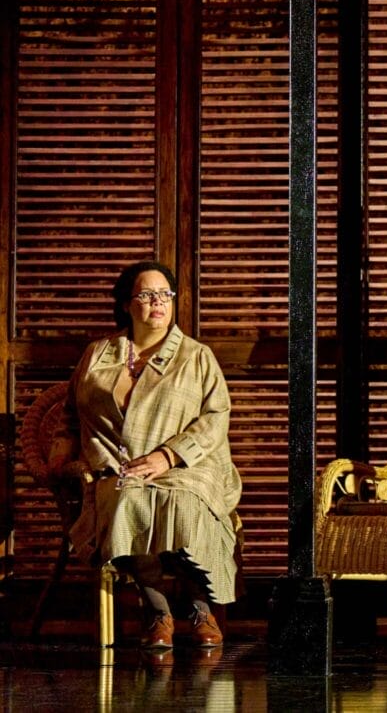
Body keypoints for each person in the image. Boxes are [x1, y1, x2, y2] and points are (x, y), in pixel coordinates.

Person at [54, 261, 242, 649]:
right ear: (126, 304)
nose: (157, 302)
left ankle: (200, 609)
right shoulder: (98, 354)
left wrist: (168, 457)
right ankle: (158, 612)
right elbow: (72, 411)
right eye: (146, 294)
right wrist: (62, 455)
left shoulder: (196, 356)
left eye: (164, 294)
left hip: (186, 467)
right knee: (126, 501)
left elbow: (215, 417)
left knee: (185, 505)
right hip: (117, 467)